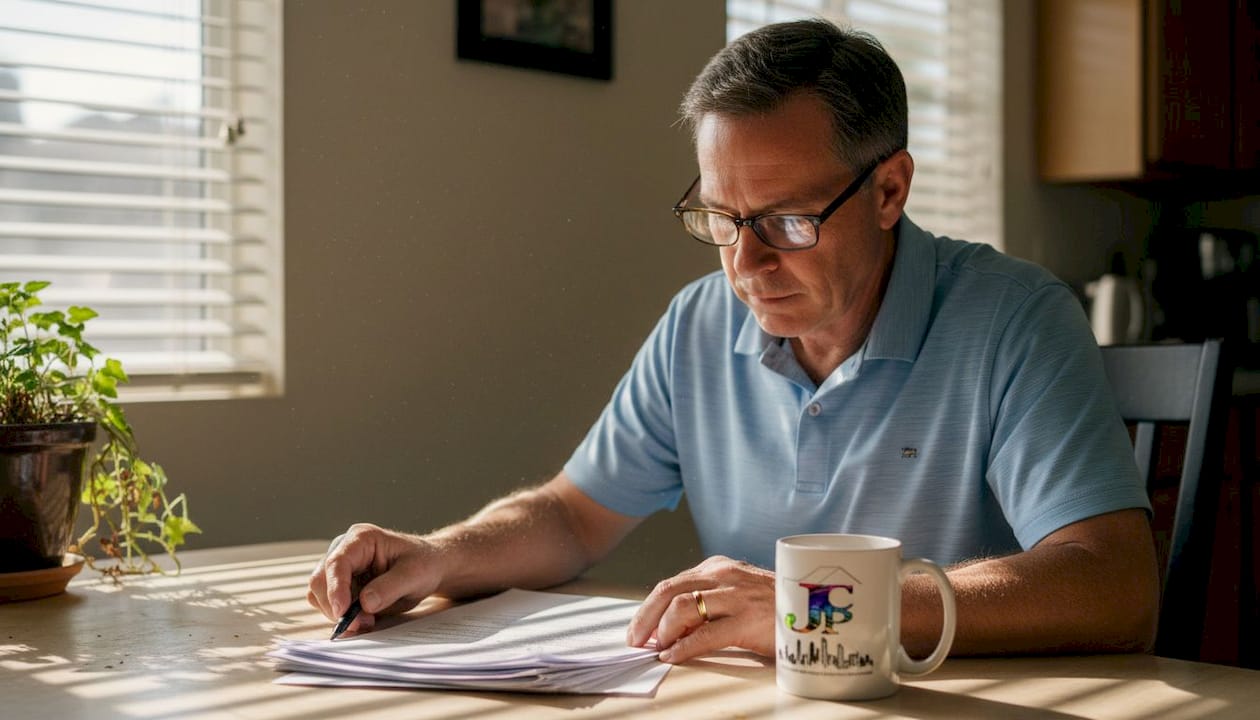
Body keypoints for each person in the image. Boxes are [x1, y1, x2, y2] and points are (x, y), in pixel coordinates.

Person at [307, 18, 1159, 663]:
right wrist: (438, 556)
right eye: (722, 218)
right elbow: (571, 518)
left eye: (787, 221)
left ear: (889, 190)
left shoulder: (1014, 319)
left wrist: (810, 605)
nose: (745, 265)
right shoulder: (699, 323)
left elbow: (1114, 584)